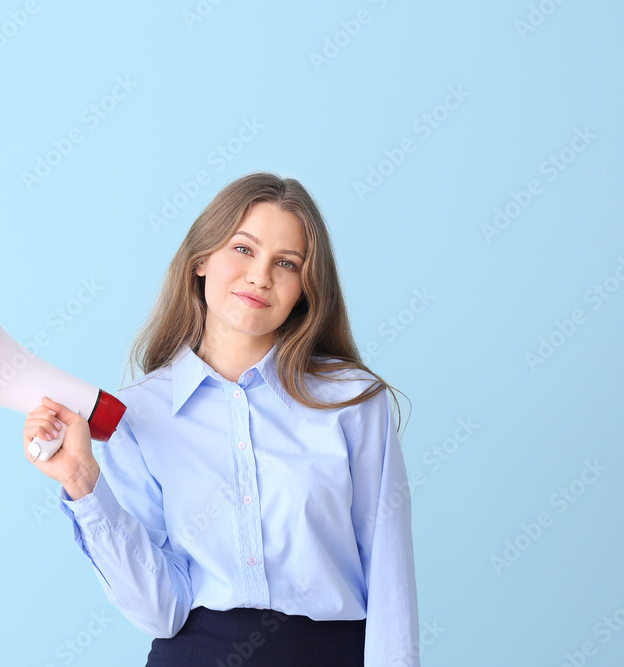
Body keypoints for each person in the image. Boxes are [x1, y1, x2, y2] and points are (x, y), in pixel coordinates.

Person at [21, 172, 419, 667]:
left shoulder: (352, 400)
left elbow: (389, 577)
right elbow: (159, 612)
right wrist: (83, 482)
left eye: (287, 263)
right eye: (244, 249)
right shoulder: (138, 414)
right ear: (202, 259)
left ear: (305, 288)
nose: (260, 277)